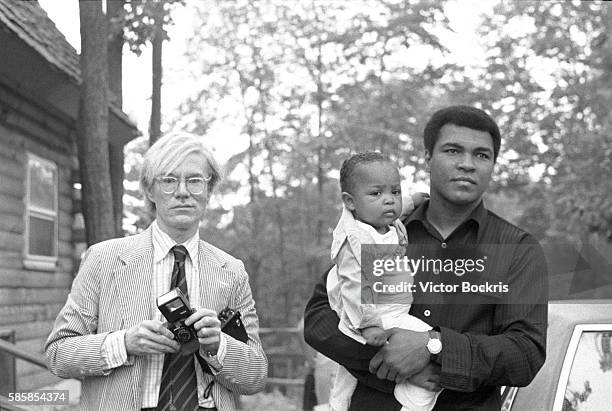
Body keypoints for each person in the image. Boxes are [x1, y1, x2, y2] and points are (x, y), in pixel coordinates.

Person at [304, 105, 548, 410]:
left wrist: (434, 347)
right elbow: (319, 319)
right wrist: (389, 362)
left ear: (493, 165)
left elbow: (525, 354)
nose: (467, 164)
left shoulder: (516, 249)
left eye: (482, 155)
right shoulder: (380, 232)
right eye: (453, 151)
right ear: (428, 158)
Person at [45, 132, 268, 411]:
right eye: (169, 180)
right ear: (150, 190)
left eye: (195, 180)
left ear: (209, 190)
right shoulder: (103, 260)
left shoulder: (232, 271)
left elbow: (257, 375)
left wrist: (218, 345)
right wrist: (124, 343)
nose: (183, 191)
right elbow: (58, 353)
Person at [326, 152, 438, 411]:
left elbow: (397, 209)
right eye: (376, 194)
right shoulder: (356, 240)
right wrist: (369, 325)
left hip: (390, 305)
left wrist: (411, 201)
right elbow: (356, 287)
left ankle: (337, 405)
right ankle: (413, 401)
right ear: (350, 202)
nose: (388, 200)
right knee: (425, 340)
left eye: (395, 192)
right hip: (370, 312)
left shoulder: (379, 220)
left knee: (346, 375)